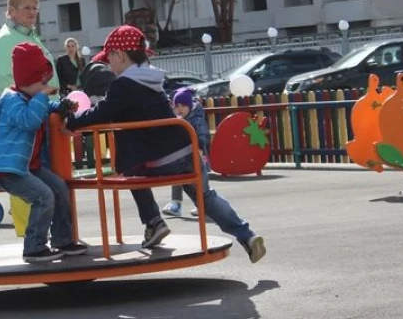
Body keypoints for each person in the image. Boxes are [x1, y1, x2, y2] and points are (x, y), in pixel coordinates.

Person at [66, 25, 266, 262]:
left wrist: (72, 123)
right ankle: (247, 235)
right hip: (187, 149)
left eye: (110, 58)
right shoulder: (152, 79)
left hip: (163, 158)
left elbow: (103, 112)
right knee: (206, 197)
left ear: (120, 54)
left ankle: (153, 222)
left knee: (128, 169)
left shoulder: (123, 84)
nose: (109, 65)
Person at [0, 43, 88, 263]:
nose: (45, 86)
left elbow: (44, 107)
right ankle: (34, 247)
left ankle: (62, 239)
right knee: (43, 196)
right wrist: (42, 97)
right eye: (42, 81)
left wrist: (61, 106)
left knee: (59, 187)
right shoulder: (11, 100)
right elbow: (28, 120)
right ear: (27, 80)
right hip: (7, 169)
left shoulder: (30, 97)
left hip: (27, 166)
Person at [0, 0, 59, 95]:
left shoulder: (27, 35)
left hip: (47, 107)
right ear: (12, 11)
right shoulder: (6, 39)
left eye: (35, 8)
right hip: (34, 110)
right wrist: (36, 107)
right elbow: (6, 81)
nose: (32, 12)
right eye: (27, 8)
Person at [163, 88, 212, 217]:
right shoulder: (176, 121)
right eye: (177, 106)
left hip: (198, 156)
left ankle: (204, 206)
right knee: (177, 179)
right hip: (181, 157)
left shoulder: (196, 119)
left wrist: (200, 147)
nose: (180, 109)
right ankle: (176, 204)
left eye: (183, 106)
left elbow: (203, 135)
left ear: (190, 106)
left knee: (201, 183)